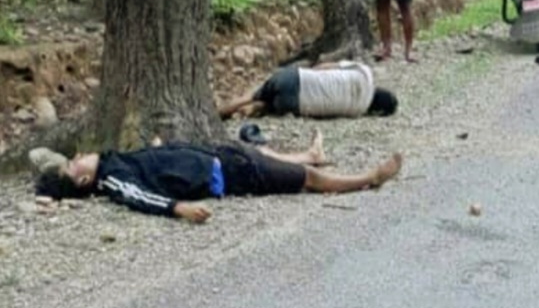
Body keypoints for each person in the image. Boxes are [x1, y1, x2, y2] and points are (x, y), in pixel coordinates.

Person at [34, 131, 403, 223]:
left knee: (265, 155)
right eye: (74, 165)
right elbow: (140, 198)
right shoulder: (112, 180)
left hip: (217, 157)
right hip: (226, 176)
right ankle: (366, 178)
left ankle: (314, 157)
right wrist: (178, 208)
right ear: (84, 181)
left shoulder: (115, 160)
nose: (79, 157)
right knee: (304, 178)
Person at [218, 60, 397, 120]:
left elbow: (325, 67)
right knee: (271, 103)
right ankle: (259, 107)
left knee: (251, 94)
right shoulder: (357, 112)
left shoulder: (364, 72)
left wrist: (311, 71)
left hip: (296, 79)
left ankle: (219, 112)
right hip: (295, 106)